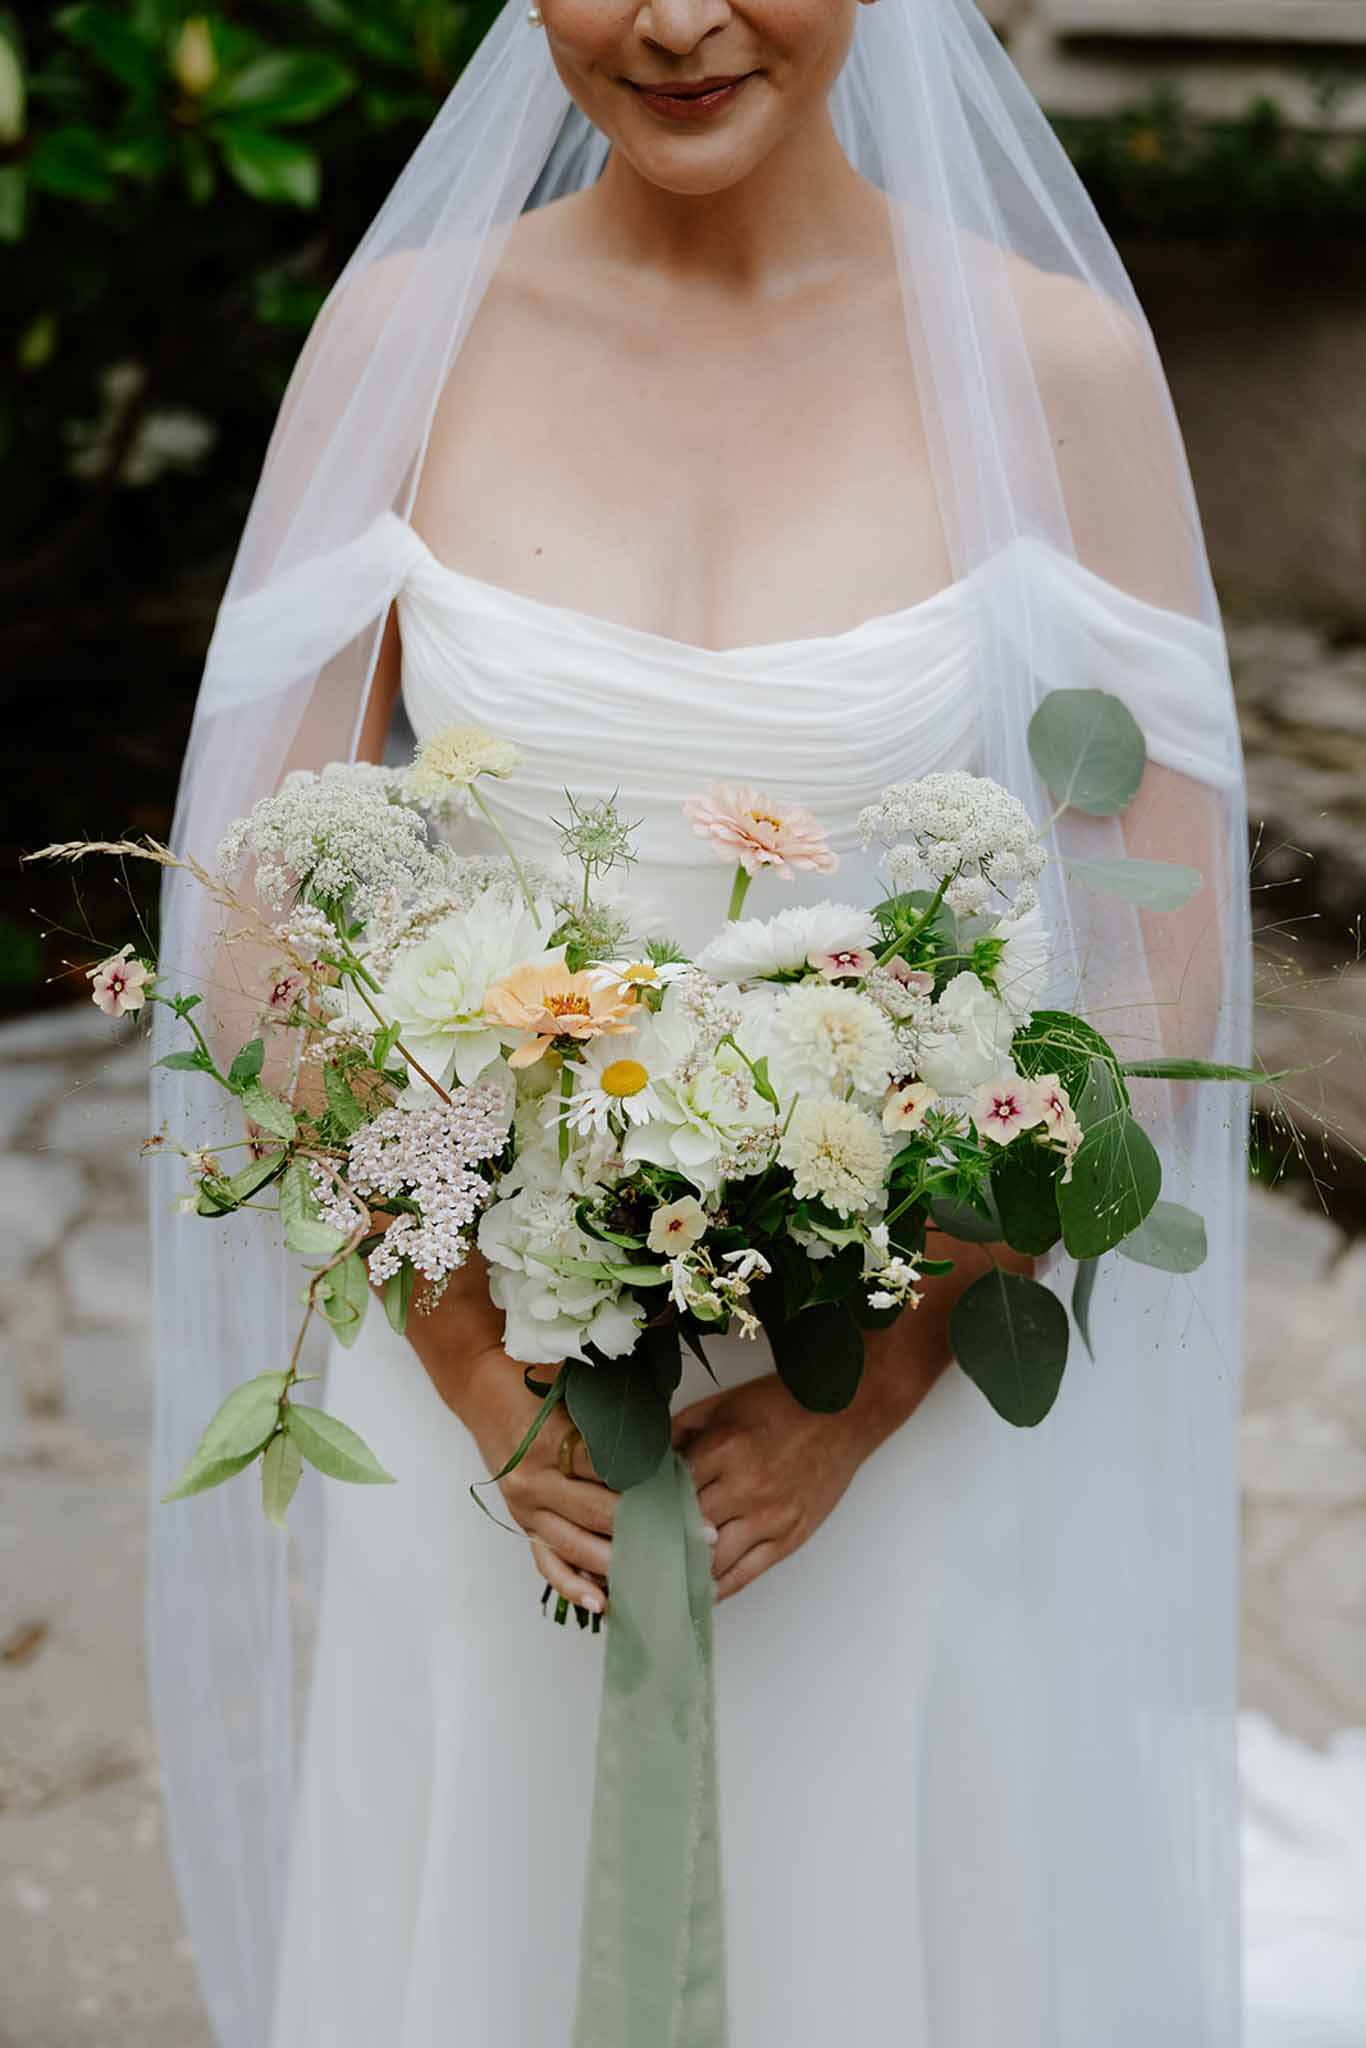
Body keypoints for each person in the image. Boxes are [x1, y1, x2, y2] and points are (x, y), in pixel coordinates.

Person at [149, 4, 1252, 2044]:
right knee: (486, 1864)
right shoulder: (403, 334)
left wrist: (901, 1351)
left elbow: (1149, 940)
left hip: (889, 1330)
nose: (669, 22)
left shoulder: (1045, 362)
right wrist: (478, 1371)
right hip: (485, 1338)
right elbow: (255, 914)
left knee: (881, 1888)